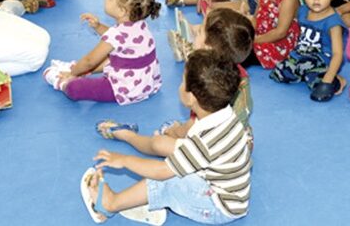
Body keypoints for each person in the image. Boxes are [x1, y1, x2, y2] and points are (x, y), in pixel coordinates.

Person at [80, 49, 251, 224]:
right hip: (226, 193)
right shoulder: (226, 115)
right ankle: (151, 202)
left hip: (217, 207)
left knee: (167, 179)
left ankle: (109, 204)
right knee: (172, 165)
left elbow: (161, 172)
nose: (179, 86)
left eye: (182, 82)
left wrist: (124, 160)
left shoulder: (204, 142)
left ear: (191, 97)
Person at [106, 7, 255, 149]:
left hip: (213, 147)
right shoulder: (239, 75)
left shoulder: (205, 79)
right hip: (241, 139)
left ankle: (127, 136)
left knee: (158, 144)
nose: (195, 31)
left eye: (199, 32)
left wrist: (175, 133)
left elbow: (195, 123)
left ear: (208, 48)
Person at [43, 0, 161, 105]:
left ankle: (63, 80)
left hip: (125, 89)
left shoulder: (116, 34)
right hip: (146, 83)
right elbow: (120, 40)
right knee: (109, 59)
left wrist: (71, 74)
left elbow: (89, 61)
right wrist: (98, 26)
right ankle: (79, 70)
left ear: (122, 11)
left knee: (75, 88)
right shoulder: (140, 24)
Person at [271, 0, 347, 102]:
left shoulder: (333, 23)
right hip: (301, 54)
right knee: (279, 74)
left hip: (322, 61)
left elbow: (338, 54)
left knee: (315, 83)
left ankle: (338, 81)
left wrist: (328, 80)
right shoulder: (303, 11)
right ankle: (301, 72)